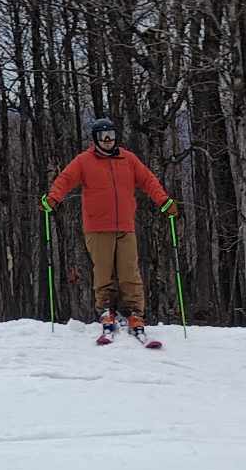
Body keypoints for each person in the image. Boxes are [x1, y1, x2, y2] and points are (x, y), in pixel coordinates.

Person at [42, 117, 177, 339]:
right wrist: (53, 199)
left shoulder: (128, 159)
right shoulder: (84, 161)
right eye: (103, 137)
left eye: (111, 136)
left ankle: (134, 312)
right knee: (103, 271)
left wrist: (164, 201)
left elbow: (148, 180)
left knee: (129, 271)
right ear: (95, 139)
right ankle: (106, 309)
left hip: (125, 224)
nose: (108, 140)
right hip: (97, 226)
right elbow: (65, 179)